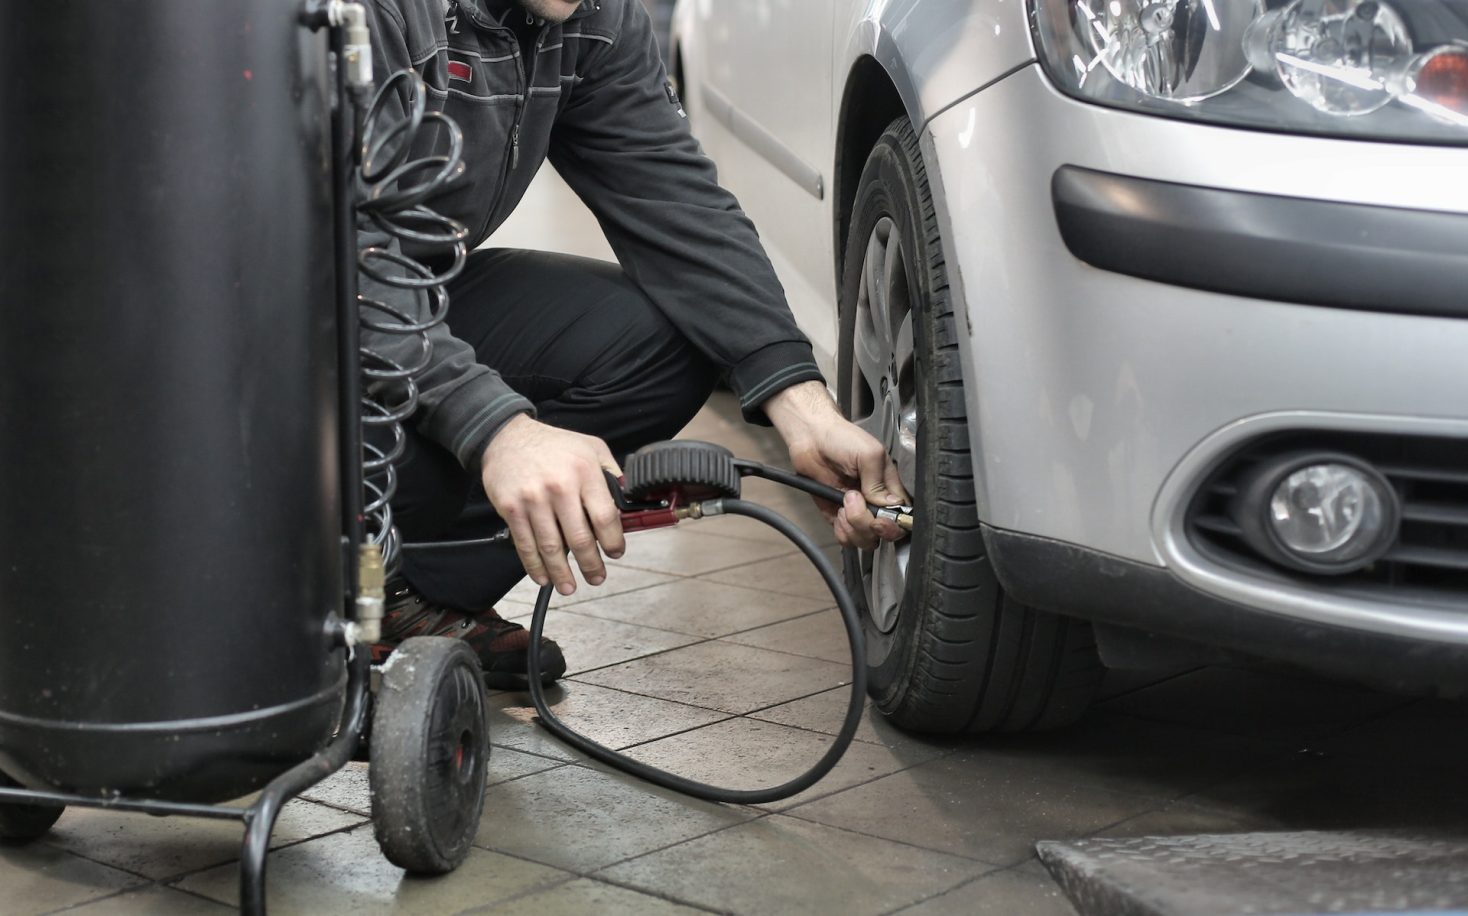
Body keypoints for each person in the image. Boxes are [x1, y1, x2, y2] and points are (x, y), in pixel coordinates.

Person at [361, 0, 908, 688]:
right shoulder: (372, 13)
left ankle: (398, 591)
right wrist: (496, 428)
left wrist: (802, 406)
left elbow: (672, 198)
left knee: (663, 341)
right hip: (256, 326)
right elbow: (325, 252)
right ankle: (282, 569)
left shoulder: (586, 15)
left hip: (396, 292)